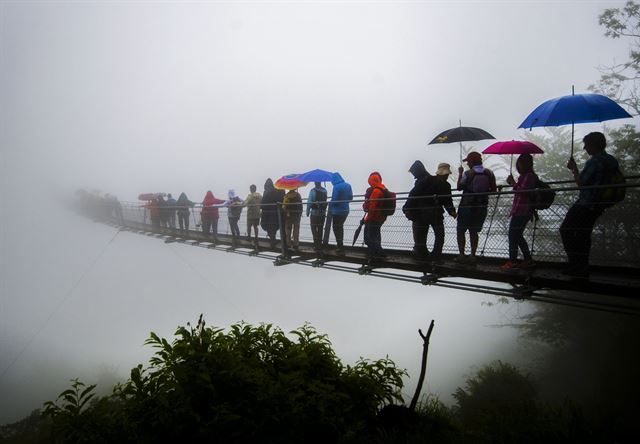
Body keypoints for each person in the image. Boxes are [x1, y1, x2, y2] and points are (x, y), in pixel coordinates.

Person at [560, 132, 621, 278]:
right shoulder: (611, 160)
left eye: (587, 145)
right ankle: (582, 267)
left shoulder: (594, 161)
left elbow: (582, 184)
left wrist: (574, 169)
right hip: (599, 204)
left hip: (586, 203)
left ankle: (575, 265)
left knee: (566, 229)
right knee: (583, 235)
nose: (585, 148)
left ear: (593, 145)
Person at [455, 151, 497, 264]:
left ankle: (462, 255)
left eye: (468, 161)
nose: (467, 163)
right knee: (474, 232)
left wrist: (460, 173)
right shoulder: (489, 173)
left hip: (466, 206)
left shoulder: (468, 173)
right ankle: (473, 255)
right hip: (481, 206)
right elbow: (493, 190)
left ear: (472, 161)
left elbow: (459, 187)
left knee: (461, 230)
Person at [500, 154, 537, 271]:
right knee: (517, 235)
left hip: (522, 210)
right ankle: (528, 259)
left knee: (513, 235)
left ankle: (513, 261)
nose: (518, 165)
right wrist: (514, 183)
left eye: (520, 163)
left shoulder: (529, 176)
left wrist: (513, 184)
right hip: (521, 210)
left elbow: (525, 192)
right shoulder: (526, 176)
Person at [402, 160, 437, 259]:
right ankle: (423, 253)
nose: (413, 174)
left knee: (418, 234)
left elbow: (413, 195)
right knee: (422, 234)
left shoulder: (422, 181)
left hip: (420, 212)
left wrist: (406, 208)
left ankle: (421, 253)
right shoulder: (429, 179)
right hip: (428, 211)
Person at [431, 163, 457, 261]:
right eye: (446, 175)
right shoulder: (445, 185)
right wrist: (451, 211)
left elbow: (447, 200)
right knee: (440, 235)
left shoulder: (430, 181)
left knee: (438, 235)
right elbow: (448, 201)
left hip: (428, 212)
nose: (447, 177)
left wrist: (452, 211)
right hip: (435, 212)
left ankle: (432, 255)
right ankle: (436, 255)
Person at [363, 171, 388, 258]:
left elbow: (371, 206)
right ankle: (376, 252)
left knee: (369, 238)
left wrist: (367, 218)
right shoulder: (383, 188)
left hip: (373, 217)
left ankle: (378, 253)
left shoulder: (375, 191)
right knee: (375, 235)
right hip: (380, 217)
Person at [328, 172, 353, 254]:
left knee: (336, 228)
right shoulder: (348, 185)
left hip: (337, 211)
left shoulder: (336, 187)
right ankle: (340, 245)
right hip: (345, 210)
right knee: (340, 227)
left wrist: (329, 203)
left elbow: (334, 200)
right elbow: (350, 198)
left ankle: (340, 246)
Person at [261, 179, 285, 248]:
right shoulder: (279, 191)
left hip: (267, 213)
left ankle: (272, 241)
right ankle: (281, 241)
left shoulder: (266, 192)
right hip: (277, 212)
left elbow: (263, 203)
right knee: (274, 227)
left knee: (270, 227)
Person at [307, 182, 328, 251]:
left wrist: (307, 212)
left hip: (314, 213)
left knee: (313, 229)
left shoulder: (312, 191)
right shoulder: (325, 190)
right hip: (322, 213)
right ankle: (320, 244)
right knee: (320, 229)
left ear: (314, 183)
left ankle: (316, 245)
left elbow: (309, 202)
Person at [283, 188, 303, 252]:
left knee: (288, 230)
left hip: (289, 215)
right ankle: (296, 244)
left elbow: (284, 207)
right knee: (296, 229)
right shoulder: (298, 195)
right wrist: (300, 213)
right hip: (297, 215)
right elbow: (301, 205)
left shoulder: (286, 196)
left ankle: (288, 244)